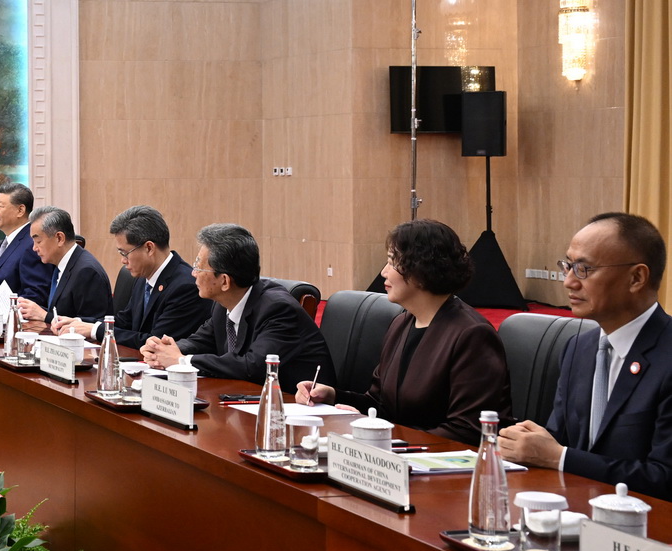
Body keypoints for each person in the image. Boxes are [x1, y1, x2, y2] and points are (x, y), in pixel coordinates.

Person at [501, 212, 672, 498]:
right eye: (568, 266)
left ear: (636, 277)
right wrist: (525, 443)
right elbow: (558, 440)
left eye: (584, 269)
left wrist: (559, 457)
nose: (568, 282)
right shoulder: (578, 348)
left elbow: (664, 478)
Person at [296, 220, 507, 444]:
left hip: (442, 463)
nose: (383, 272)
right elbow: (381, 404)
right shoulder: (401, 323)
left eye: (392, 262)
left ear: (422, 268)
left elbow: (467, 430)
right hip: (398, 456)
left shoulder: (472, 335)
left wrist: (389, 439)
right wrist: (332, 395)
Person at [140, 223, 335, 391]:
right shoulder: (223, 304)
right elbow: (200, 342)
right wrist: (163, 351)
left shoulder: (279, 310)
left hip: (300, 410)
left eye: (199, 267)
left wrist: (181, 361)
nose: (193, 273)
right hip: (247, 400)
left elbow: (253, 366)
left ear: (224, 281)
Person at [62, 206, 205, 347]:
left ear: (149, 248)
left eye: (124, 253)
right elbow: (125, 322)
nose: (123, 261)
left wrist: (95, 331)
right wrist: (80, 322)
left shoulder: (186, 286)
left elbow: (155, 342)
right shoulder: (144, 276)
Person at [15, 206, 110, 323]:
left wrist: (44, 315)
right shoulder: (60, 265)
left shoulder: (86, 271)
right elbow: (63, 312)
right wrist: (34, 311)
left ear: (59, 238)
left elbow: (92, 325)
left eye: (38, 241)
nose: (34, 248)